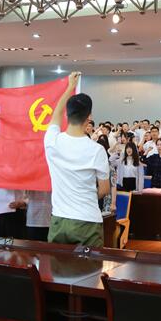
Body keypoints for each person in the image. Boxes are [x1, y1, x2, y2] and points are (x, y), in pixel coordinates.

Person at [45, 72, 110, 247]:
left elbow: (56, 114)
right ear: (89, 117)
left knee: (58, 264)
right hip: (88, 220)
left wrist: (69, 87)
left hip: (59, 219)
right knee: (89, 264)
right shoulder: (97, 150)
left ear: (67, 115)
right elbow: (104, 189)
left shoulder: (52, 141)